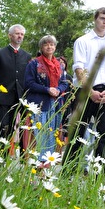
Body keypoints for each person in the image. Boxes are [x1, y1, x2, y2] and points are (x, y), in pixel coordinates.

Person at [65, 8, 105, 170]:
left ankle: (99, 172)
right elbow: (78, 68)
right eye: (102, 18)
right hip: (85, 90)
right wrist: (90, 92)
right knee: (78, 131)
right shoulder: (83, 41)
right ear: (95, 19)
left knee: (104, 132)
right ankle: (70, 169)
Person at [23, 35, 71, 163]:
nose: (49, 46)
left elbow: (65, 82)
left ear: (55, 47)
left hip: (55, 104)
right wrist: (47, 89)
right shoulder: (34, 63)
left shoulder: (59, 66)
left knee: (52, 133)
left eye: (52, 44)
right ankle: (38, 163)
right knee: (40, 133)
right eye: (46, 44)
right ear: (41, 47)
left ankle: (46, 164)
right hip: (39, 103)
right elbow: (29, 83)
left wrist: (59, 89)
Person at [0, 25, 32, 151]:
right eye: (17, 33)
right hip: (3, 99)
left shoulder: (26, 56)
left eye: (22, 34)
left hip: (21, 99)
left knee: (22, 130)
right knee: (2, 129)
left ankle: (24, 162)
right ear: (10, 35)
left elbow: (27, 79)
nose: (20, 36)